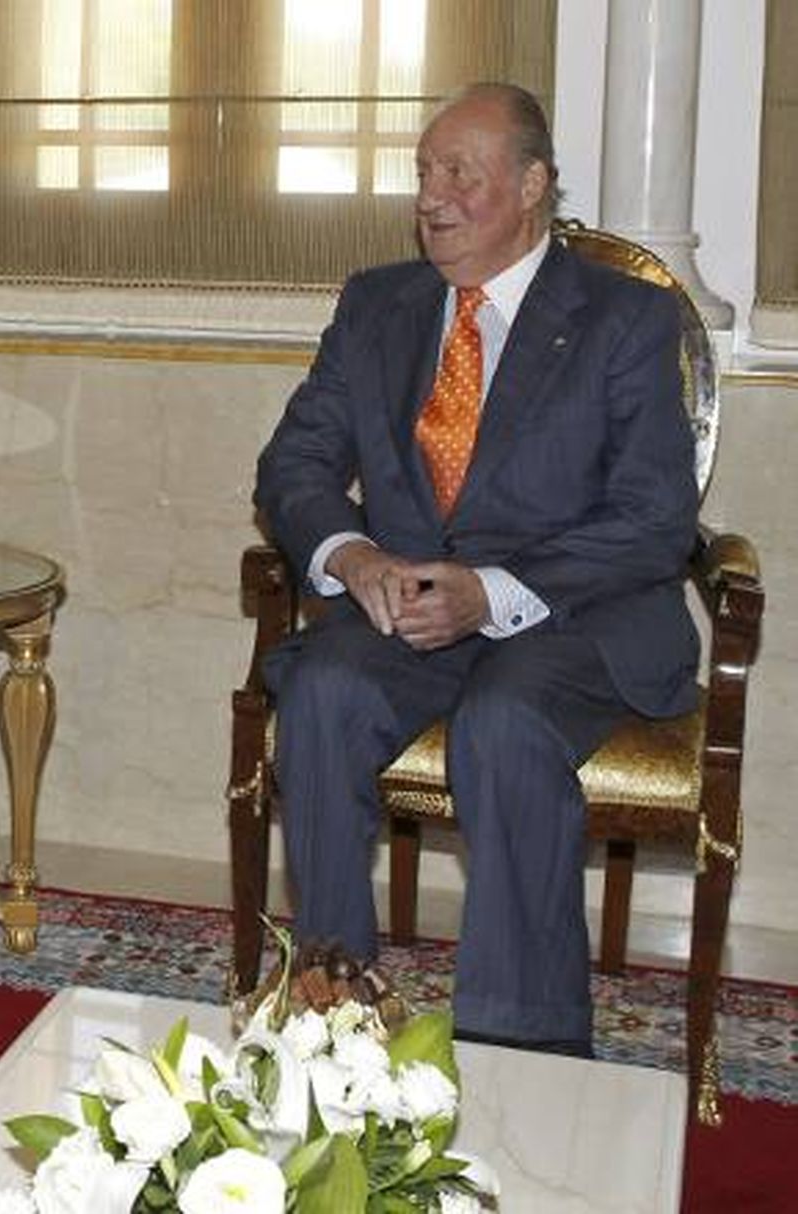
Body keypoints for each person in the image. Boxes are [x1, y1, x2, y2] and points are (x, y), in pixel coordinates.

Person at [254, 83, 699, 1056]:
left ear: (532, 185)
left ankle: (523, 1046)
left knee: (504, 721)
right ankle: (331, 1012)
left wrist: (489, 593)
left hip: (573, 615)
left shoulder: (625, 317)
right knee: (324, 688)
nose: (431, 196)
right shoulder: (377, 305)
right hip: (409, 609)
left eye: (460, 172)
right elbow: (293, 466)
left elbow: (654, 519)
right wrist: (353, 557)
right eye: (424, 172)